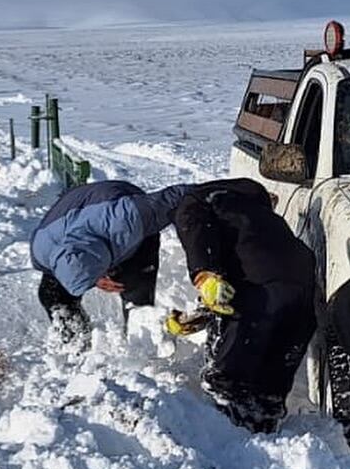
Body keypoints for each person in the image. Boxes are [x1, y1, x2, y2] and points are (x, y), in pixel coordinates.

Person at [170, 179, 317, 434]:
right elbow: (241, 268)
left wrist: (203, 274)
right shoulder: (258, 216)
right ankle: (267, 438)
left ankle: (226, 445)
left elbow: (197, 235)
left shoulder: (196, 202)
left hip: (260, 289)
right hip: (303, 289)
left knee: (227, 380)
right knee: (270, 386)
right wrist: (200, 313)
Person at [30, 179, 195, 344]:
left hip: (126, 209)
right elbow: (74, 268)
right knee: (51, 295)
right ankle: (78, 345)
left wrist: (213, 190)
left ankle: (140, 343)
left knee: (137, 297)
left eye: (97, 275)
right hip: (82, 209)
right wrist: (93, 279)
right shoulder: (40, 253)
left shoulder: (129, 219)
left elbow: (175, 196)